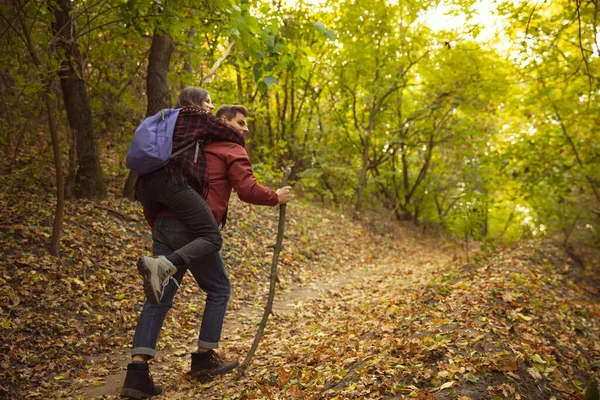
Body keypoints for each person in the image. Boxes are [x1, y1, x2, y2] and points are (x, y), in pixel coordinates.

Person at [120, 105, 292, 399]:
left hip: (164, 223)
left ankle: (137, 374)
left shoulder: (187, 144)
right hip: (195, 230)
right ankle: (204, 358)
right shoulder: (229, 145)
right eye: (241, 122)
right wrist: (276, 196)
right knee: (219, 288)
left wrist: (159, 226)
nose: (245, 129)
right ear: (222, 122)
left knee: (158, 294)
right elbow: (247, 188)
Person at [135, 88, 246, 306]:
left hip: (144, 186)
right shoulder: (198, 117)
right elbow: (235, 136)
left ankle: (158, 272)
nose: (211, 107)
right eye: (208, 101)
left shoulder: (167, 117)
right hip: (171, 181)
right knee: (213, 237)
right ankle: (163, 264)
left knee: (159, 298)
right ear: (195, 101)